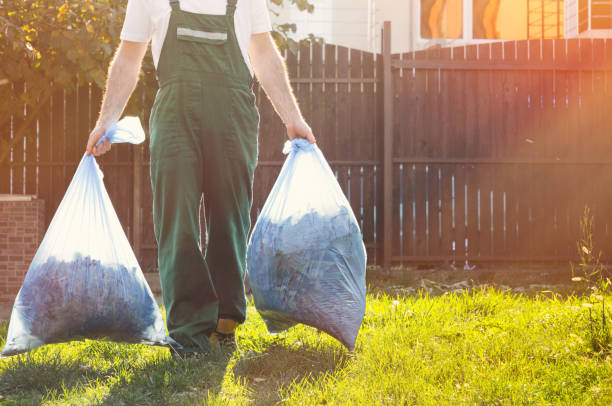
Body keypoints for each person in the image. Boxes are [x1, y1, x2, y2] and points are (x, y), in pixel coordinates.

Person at [86, 0, 315, 358]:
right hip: (175, 114)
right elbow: (129, 57)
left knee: (231, 217)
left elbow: (264, 53)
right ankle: (188, 332)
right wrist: (106, 119)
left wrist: (292, 117)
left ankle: (225, 324)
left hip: (233, 113)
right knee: (176, 220)